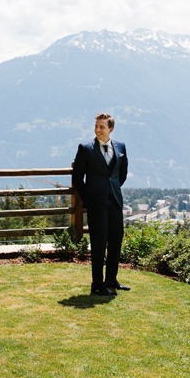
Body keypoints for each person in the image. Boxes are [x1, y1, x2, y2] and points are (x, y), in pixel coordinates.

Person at [72, 113, 129, 296]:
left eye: (101, 127)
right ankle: (97, 285)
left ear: (110, 129)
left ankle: (111, 280)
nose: (97, 130)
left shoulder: (121, 147)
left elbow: (122, 173)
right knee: (98, 243)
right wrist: (88, 199)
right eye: (96, 126)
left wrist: (113, 188)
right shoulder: (85, 148)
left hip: (115, 200)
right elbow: (77, 178)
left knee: (116, 240)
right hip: (96, 203)